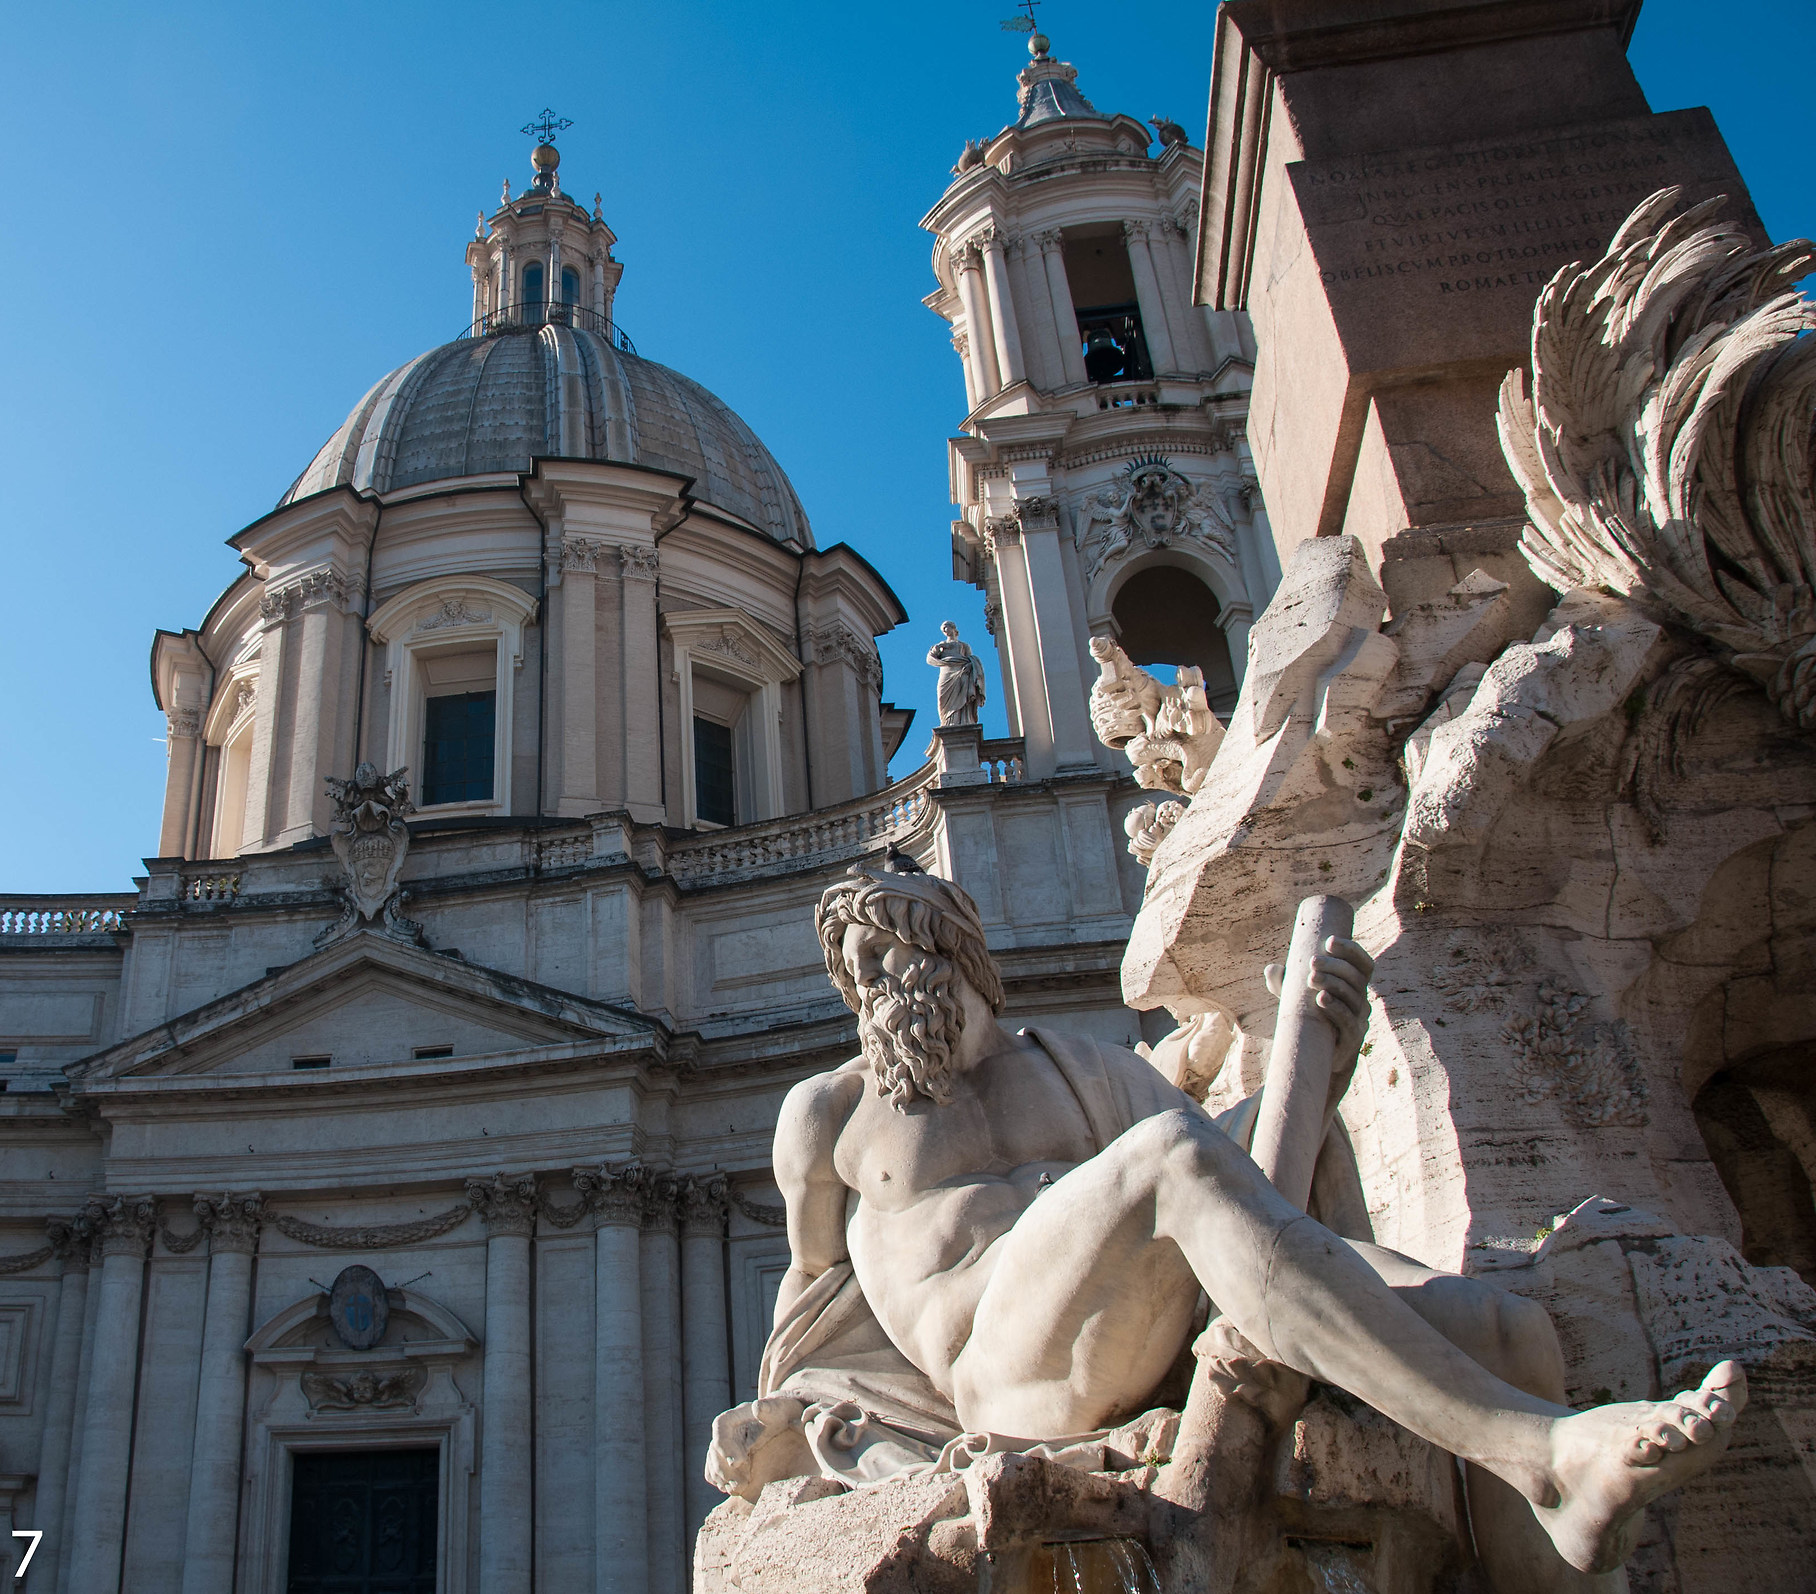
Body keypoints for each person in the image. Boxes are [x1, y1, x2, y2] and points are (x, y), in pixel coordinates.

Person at [726, 860, 1740, 1585]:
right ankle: (1541, 1454)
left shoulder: (1085, 1068)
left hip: (1145, 1333)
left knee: (1507, 1329)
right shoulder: (830, 1114)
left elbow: (1248, 1194)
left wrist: (1318, 1055)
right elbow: (809, 1306)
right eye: (853, 969)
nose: (870, 983)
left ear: (955, 948)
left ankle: (1561, 1526)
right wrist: (780, 1425)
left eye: (887, 950)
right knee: (1170, 1157)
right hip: (1003, 1371)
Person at [926, 621, 985, 728]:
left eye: (946, 627)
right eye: (943, 629)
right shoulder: (940, 646)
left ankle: (963, 721)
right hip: (946, 672)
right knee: (942, 698)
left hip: (961, 672)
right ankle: (946, 722)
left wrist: (968, 666)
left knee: (962, 695)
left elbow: (971, 659)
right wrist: (936, 650)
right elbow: (930, 659)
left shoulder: (963, 645)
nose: (945, 631)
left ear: (953, 628)